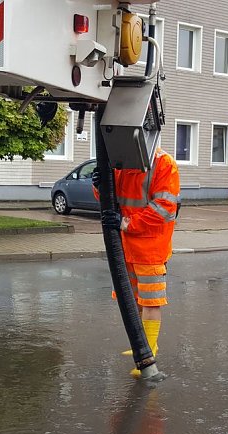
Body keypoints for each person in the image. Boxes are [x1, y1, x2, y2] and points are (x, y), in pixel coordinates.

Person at [93, 148, 180, 377]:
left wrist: (124, 223)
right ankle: (140, 343)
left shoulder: (163, 164)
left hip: (150, 248)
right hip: (127, 247)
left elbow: (164, 209)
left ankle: (148, 351)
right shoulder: (121, 162)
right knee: (136, 301)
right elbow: (112, 199)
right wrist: (99, 185)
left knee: (151, 302)